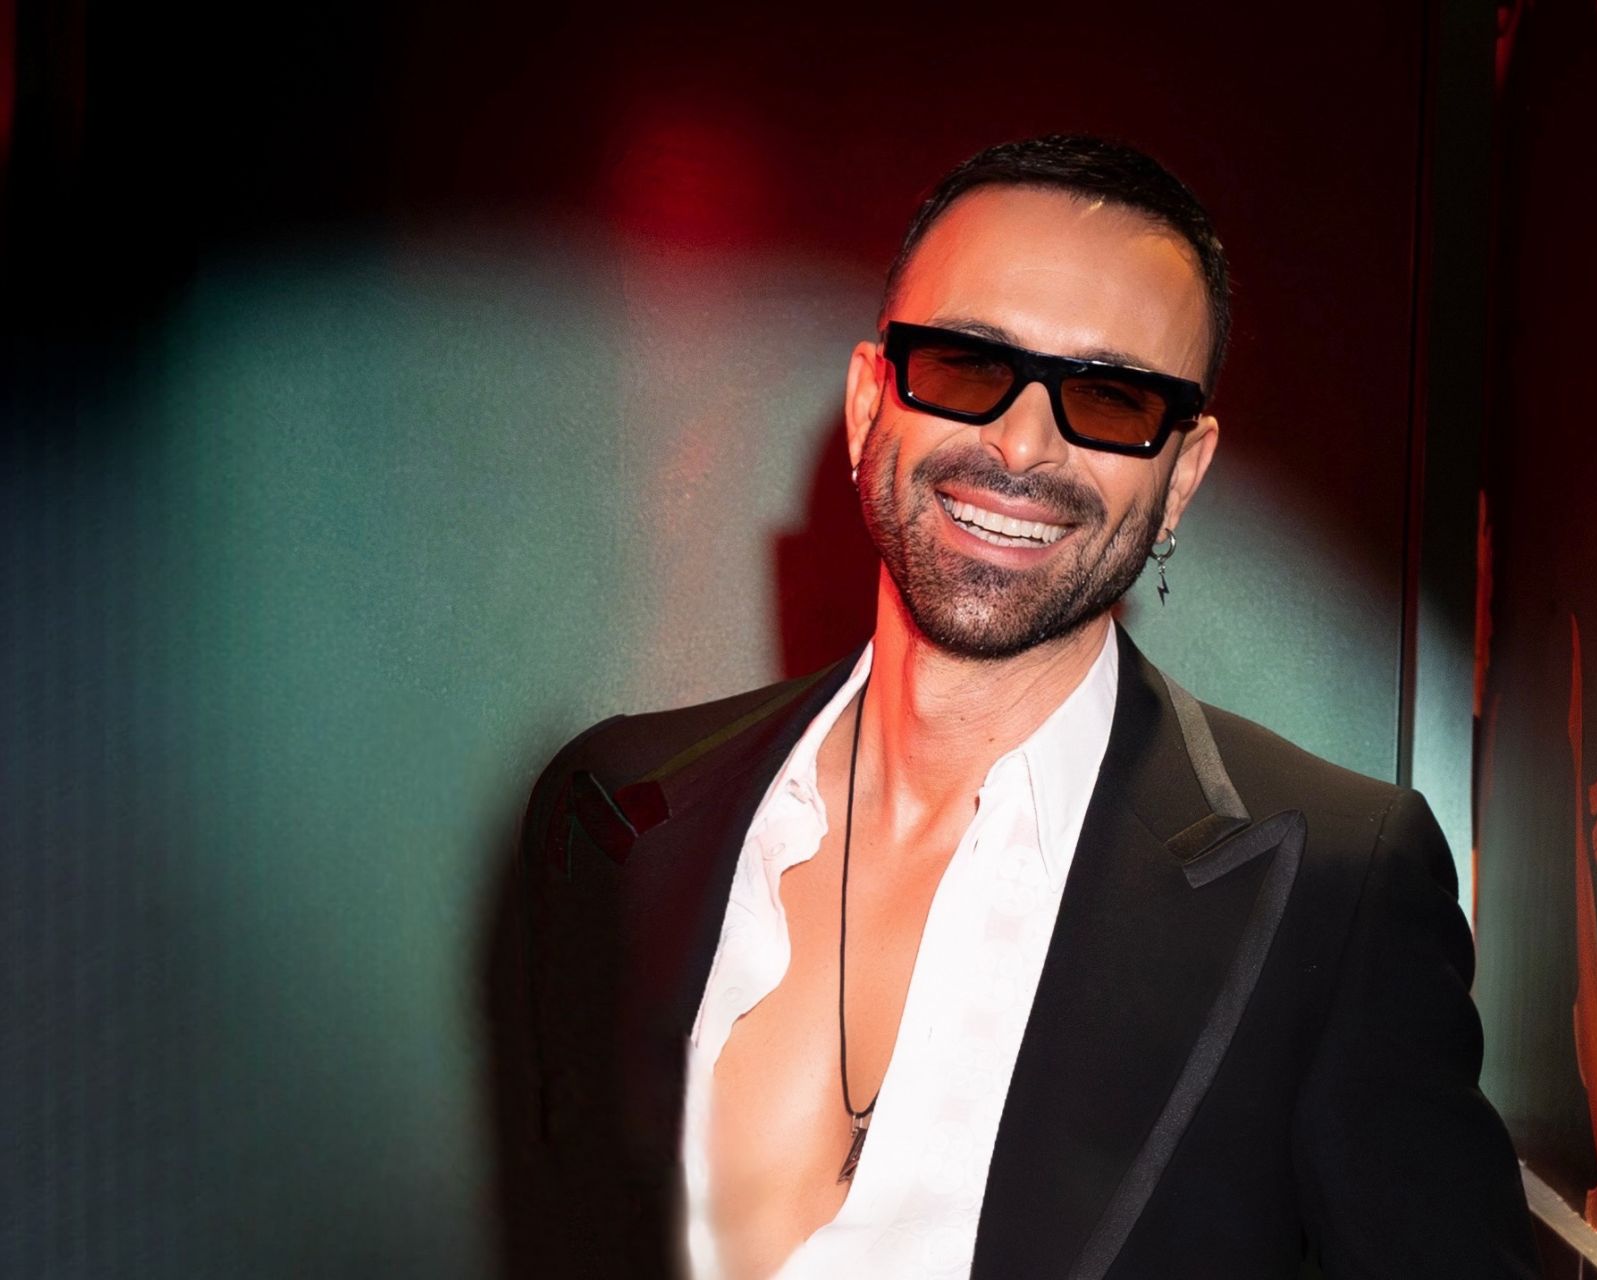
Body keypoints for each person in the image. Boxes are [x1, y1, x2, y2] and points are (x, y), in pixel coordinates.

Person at [508, 135, 1541, 1279]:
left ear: (1182, 474)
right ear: (867, 402)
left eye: (1110, 395)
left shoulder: (1333, 891)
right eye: (965, 365)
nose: (1020, 443)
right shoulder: (614, 817)